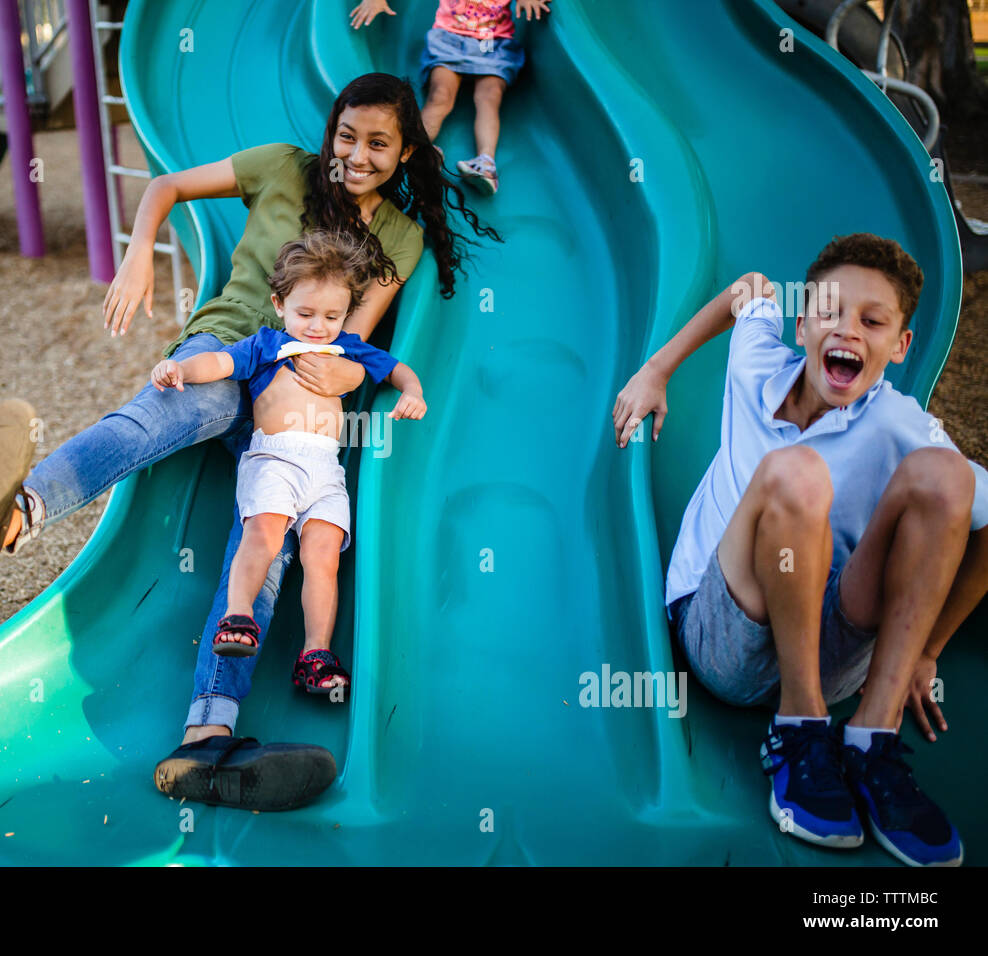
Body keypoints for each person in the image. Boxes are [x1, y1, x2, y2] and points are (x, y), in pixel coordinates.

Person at [0, 72, 498, 812]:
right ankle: (16, 513)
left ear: (403, 150)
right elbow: (165, 186)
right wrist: (138, 253)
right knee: (160, 416)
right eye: (347, 136)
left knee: (264, 555)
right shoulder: (282, 165)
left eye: (378, 143)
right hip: (227, 353)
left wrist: (343, 382)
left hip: (290, 413)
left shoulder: (400, 234)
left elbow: (348, 352)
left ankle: (205, 740)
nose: (357, 154)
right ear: (331, 131)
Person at [614, 233, 988, 866]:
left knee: (947, 477)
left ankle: (871, 737)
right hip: (725, 632)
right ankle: (798, 729)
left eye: (872, 322)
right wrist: (656, 370)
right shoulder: (757, 360)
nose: (847, 331)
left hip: (833, 645)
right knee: (798, 473)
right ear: (800, 319)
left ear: (899, 347)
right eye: (829, 311)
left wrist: (929, 648)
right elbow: (746, 289)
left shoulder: (900, 424)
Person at [151, 231, 426, 697]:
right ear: (279, 304)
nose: (319, 326)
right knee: (264, 532)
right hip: (275, 459)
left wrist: (414, 392)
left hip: (325, 470)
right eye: (305, 313)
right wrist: (182, 369)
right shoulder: (266, 344)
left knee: (323, 558)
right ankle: (237, 616)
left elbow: (396, 367)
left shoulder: (349, 348)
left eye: (332, 316)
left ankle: (315, 655)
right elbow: (219, 362)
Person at [350, 0, 550, 194]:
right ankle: (416, 150)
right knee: (440, 96)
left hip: (490, 42)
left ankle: (486, 163)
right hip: (450, 39)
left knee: (489, 97)